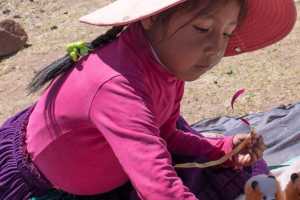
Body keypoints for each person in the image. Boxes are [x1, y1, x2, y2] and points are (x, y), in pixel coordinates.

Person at [0, 0, 297, 199]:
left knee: (234, 172)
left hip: (111, 161)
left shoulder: (165, 66)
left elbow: (165, 134)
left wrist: (223, 147)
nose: (215, 48)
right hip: (43, 185)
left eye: (226, 33)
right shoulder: (117, 88)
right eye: (203, 29)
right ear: (152, 18)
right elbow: (159, 189)